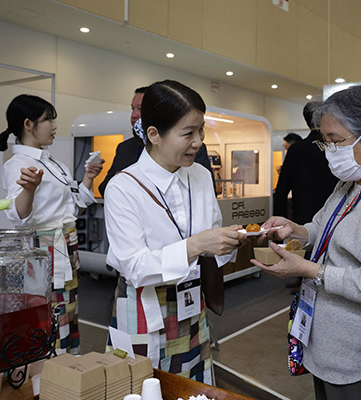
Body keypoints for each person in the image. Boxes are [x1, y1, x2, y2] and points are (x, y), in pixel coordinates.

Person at [252, 83, 361, 399]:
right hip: (331, 351)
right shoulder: (352, 183)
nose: (330, 151)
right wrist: (295, 229)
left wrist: (311, 271)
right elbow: (324, 227)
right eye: (326, 142)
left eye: (336, 141)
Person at [104, 80, 246, 384]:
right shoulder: (123, 187)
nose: (198, 142)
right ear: (154, 134)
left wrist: (228, 242)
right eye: (188, 133)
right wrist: (195, 246)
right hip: (145, 307)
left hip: (193, 304)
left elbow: (211, 243)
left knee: (193, 388)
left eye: (201, 131)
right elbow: (135, 266)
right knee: (143, 387)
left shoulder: (201, 176)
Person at [0, 94, 104, 354]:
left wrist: (88, 178)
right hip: (44, 248)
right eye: (48, 120)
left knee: (66, 307)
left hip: (65, 243)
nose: (54, 126)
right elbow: (18, 214)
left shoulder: (50, 161)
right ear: (28, 124)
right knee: (50, 312)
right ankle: (49, 374)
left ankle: (66, 367)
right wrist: (29, 190)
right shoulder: (18, 165)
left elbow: (74, 204)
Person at [99, 86, 213, 197]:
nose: (134, 115)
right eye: (133, 109)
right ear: (153, 134)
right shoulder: (124, 155)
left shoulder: (201, 175)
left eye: (140, 108)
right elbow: (108, 188)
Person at [274, 102, 339, 291]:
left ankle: (304, 278)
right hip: (332, 207)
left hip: (303, 207)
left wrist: (279, 221)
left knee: (304, 244)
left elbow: (282, 187)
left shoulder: (296, 150)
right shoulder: (333, 148)